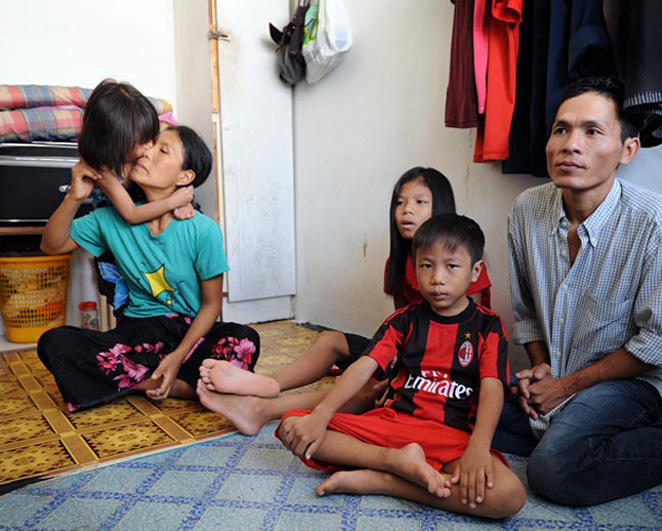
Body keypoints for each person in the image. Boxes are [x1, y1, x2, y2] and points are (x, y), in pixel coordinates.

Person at [495, 76, 662, 506]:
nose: (570, 145)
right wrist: (542, 370)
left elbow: (657, 348)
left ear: (628, 150)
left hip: (629, 384)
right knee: (458, 405)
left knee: (555, 471)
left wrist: (565, 386)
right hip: (558, 374)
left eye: (592, 131)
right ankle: (580, 431)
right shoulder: (526, 210)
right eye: (561, 129)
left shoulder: (660, 224)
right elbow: (528, 315)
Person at [196, 168, 492, 432]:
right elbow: (405, 322)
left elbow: (472, 328)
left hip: (448, 368)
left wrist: (401, 375)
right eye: (400, 203)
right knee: (331, 340)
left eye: (419, 202)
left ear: (440, 206)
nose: (406, 211)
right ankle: (266, 385)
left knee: (365, 390)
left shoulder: (462, 263)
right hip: (408, 351)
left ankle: (260, 410)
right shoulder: (400, 261)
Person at [275, 214, 526, 518]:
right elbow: (363, 367)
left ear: (475, 271)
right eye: (426, 265)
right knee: (292, 426)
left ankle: (385, 481)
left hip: (451, 436)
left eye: (451, 266)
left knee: (509, 496)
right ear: (415, 268)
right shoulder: (403, 320)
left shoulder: (489, 326)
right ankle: (393, 461)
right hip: (392, 426)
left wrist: (478, 447)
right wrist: (322, 413)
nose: (437, 278)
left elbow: (492, 388)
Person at [37, 125, 260, 411]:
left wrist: (178, 355)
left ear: (185, 177)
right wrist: (74, 197)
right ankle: (177, 385)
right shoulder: (108, 219)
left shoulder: (203, 230)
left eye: (162, 150)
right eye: (150, 146)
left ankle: (145, 380)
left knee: (244, 339)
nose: (146, 154)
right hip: (137, 333)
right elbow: (52, 245)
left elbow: (211, 305)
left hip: (189, 335)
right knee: (55, 342)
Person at [77, 79, 195, 316]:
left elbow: (169, 181)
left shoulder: (136, 149)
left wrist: (183, 201)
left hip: (147, 218)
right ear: (115, 144)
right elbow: (131, 214)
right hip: (120, 231)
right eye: (142, 142)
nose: (149, 147)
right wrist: (173, 202)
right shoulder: (103, 169)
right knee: (123, 290)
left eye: (152, 138)